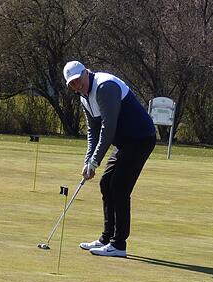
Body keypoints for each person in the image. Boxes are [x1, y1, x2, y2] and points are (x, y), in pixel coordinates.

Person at [63, 60, 156, 258]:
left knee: (119, 188)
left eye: (79, 80)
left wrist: (95, 161)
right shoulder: (84, 97)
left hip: (140, 138)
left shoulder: (105, 87)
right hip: (124, 142)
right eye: (73, 84)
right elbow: (93, 131)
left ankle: (119, 244)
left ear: (86, 73)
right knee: (106, 184)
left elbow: (108, 128)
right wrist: (88, 161)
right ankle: (106, 238)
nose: (78, 86)